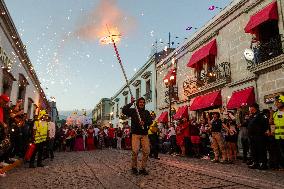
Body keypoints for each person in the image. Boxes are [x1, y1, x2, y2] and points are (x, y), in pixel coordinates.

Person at [122, 97, 152, 175]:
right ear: (138, 103)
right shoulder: (133, 111)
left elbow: (150, 122)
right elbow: (124, 110)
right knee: (135, 151)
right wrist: (131, 103)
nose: (142, 103)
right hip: (135, 134)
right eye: (140, 102)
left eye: (143, 102)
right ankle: (134, 167)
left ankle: (143, 168)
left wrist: (144, 122)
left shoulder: (146, 112)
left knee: (146, 151)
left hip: (144, 134)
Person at [247, 103, 269, 170]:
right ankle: (255, 163)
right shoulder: (252, 116)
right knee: (254, 150)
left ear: (254, 108)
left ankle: (263, 164)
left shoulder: (261, 115)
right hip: (252, 136)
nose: (249, 109)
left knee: (261, 150)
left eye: (250, 107)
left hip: (259, 136)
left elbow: (266, 123)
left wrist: (266, 131)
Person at [271, 94, 284, 169]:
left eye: (277, 102)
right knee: (280, 152)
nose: (276, 104)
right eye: (275, 102)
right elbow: (272, 123)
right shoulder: (275, 113)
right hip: (277, 137)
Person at [0, 94, 10, 177]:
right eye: (5, 101)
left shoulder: (2, 108)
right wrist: (3, 124)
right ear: (1, 99)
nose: (6, 103)